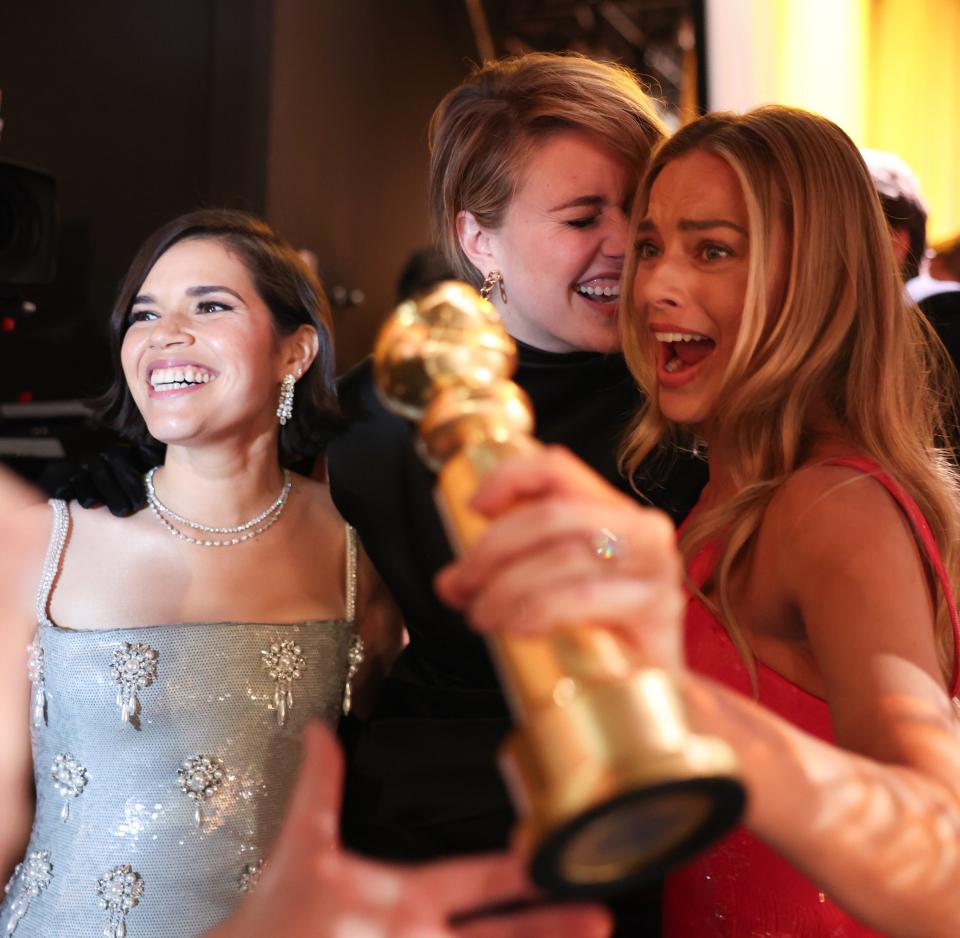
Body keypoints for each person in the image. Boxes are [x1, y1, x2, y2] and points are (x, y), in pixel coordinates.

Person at [437, 106, 960, 937]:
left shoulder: (835, 510)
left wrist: (679, 706)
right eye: (651, 247)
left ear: (820, 280)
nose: (654, 286)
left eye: (711, 250)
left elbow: (945, 862)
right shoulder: (718, 491)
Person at [0, 209, 405, 936]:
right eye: (144, 314)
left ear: (297, 351)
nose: (165, 333)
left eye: (210, 305)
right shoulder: (46, 541)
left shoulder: (356, 551)